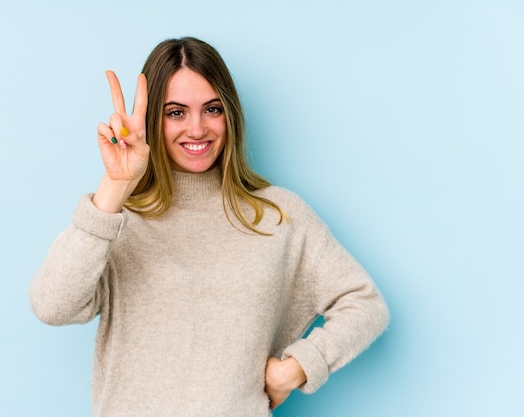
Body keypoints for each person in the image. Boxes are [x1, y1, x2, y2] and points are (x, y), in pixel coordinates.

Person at [29, 36, 389, 416]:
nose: (197, 129)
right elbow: (53, 305)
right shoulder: (118, 220)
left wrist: (297, 368)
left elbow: (364, 303)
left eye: (212, 109)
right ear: (153, 120)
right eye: (176, 112)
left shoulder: (278, 215)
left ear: (230, 114)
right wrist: (116, 185)